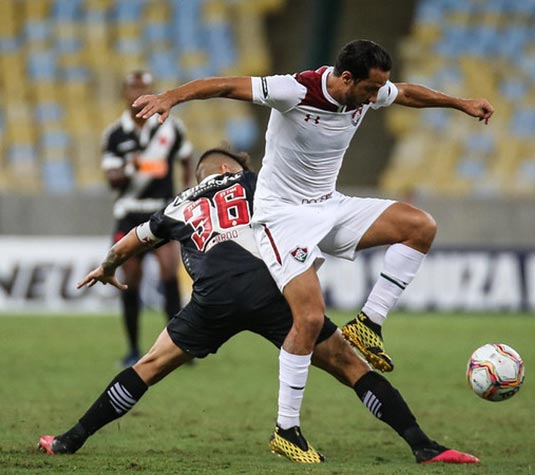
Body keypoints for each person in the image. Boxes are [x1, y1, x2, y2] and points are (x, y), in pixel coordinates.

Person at [132, 39, 494, 436]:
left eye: (378, 90)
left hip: (329, 206)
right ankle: (287, 430)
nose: (376, 98)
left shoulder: (368, 93)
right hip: (281, 216)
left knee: (420, 225)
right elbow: (225, 85)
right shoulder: (296, 90)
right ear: (345, 78)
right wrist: (170, 97)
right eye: (370, 90)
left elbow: (406, 93)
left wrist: (461, 103)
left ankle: (369, 324)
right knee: (308, 318)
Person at [38, 148, 479, 465]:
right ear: (230, 168)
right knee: (349, 364)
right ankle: (423, 445)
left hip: (213, 297)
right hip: (270, 287)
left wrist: (106, 266)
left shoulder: (175, 206)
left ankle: (68, 441)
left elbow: (131, 240)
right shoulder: (258, 182)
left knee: (149, 365)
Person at [102, 70, 194, 366]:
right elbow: (112, 178)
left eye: (145, 87)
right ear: (125, 93)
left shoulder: (171, 127)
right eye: (134, 87)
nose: (139, 92)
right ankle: (132, 349)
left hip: (161, 211)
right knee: (131, 278)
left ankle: (179, 349)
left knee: (170, 274)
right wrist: (135, 166)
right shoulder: (115, 133)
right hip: (130, 212)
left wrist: (189, 191)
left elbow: (186, 157)